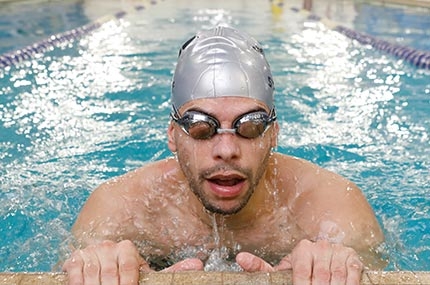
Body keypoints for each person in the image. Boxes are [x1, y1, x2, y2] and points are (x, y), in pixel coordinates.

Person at [63, 26, 385, 285]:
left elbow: (381, 274)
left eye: (250, 126)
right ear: (173, 135)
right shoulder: (118, 209)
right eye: (201, 127)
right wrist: (97, 268)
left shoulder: (333, 210)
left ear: (274, 134)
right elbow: (68, 268)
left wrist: (338, 268)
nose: (227, 150)